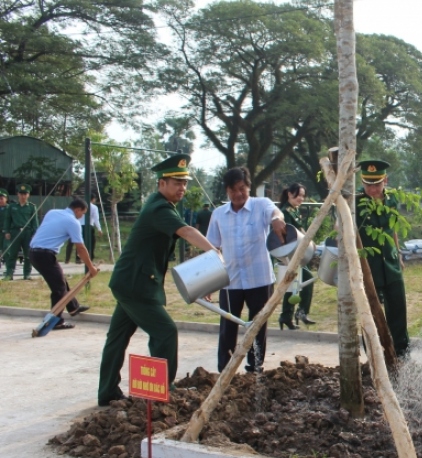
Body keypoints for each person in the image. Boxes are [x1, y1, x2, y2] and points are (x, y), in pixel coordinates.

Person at [97, 154, 219, 407]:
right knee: (165, 331)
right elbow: (186, 231)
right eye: (176, 183)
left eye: (185, 183)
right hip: (136, 285)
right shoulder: (159, 208)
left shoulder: (160, 205)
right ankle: (165, 389)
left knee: (117, 338)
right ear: (161, 183)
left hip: (131, 281)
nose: (182, 188)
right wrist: (214, 251)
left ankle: (107, 391)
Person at [207, 167, 286, 373]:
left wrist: (277, 219)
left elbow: (275, 212)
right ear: (227, 191)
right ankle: (225, 370)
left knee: (257, 325)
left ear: (249, 187)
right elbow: (212, 249)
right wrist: (208, 282)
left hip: (259, 279)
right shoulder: (218, 215)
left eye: (242, 188)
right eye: (233, 190)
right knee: (228, 327)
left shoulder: (261, 205)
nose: (238, 194)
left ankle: (255, 368)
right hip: (230, 281)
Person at [356, 160, 410, 357]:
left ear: (385, 180)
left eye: (377, 184)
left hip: (391, 263)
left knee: (398, 308)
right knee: (370, 312)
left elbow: (393, 229)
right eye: (368, 184)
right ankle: (374, 352)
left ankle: (402, 351)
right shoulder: (355, 203)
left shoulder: (392, 201)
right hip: (368, 267)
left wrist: (399, 254)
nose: (372, 189)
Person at [29, 198, 99, 329]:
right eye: (82, 213)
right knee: (59, 289)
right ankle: (56, 321)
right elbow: (80, 248)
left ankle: (73, 307)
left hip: (34, 252)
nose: (82, 216)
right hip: (44, 255)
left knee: (60, 281)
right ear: (77, 210)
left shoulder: (52, 212)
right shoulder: (73, 222)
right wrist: (91, 267)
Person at [278, 182, 317, 329]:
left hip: (298, 254)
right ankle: (300, 312)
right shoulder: (285, 212)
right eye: (298, 195)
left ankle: (286, 316)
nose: (301, 198)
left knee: (292, 285)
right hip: (289, 254)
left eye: (302, 196)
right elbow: (288, 234)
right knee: (306, 280)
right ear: (289, 194)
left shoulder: (294, 210)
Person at [3, 184, 39, 280]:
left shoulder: (32, 207)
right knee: (12, 254)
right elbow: (8, 220)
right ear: (17, 195)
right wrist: (6, 231)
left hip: (28, 232)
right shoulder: (12, 207)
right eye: (21, 194)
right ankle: (9, 273)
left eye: (25, 194)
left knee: (28, 255)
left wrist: (35, 234)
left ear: (28, 195)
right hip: (15, 231)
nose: (23, 196)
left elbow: (35, 222)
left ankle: (27, 274)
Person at [65, 193, 102, 263]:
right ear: (93, 199)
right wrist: (99, 229)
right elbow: (96, 219)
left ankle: (73, 258)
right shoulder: (93, 207)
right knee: (90, 243)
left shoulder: (79, 207)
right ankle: (90, 258)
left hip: (78, 225)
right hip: (88, 226)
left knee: (77, 242)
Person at [0, 188, 8, 264]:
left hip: (7, 231)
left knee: (6, 247)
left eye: (2, 198)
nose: (0, 200)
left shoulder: (10, 208)